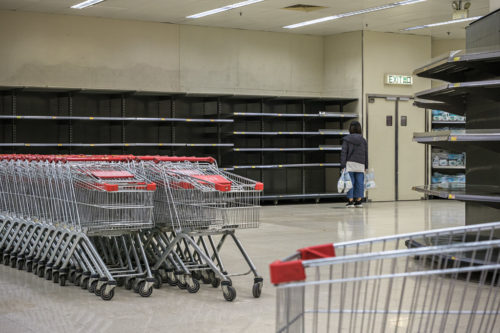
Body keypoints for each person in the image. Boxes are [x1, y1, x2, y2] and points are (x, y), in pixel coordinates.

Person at [340, 121, 368, 208]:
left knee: (350, 182)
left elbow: (344, 153)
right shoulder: (363, 140)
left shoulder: (346, 139)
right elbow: (366, 154)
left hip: (350, 163)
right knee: (359, 182)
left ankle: (351, 201)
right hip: (360, 164)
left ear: (350, 129)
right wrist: (366, 166)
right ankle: (359, 201)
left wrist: (342, 165)